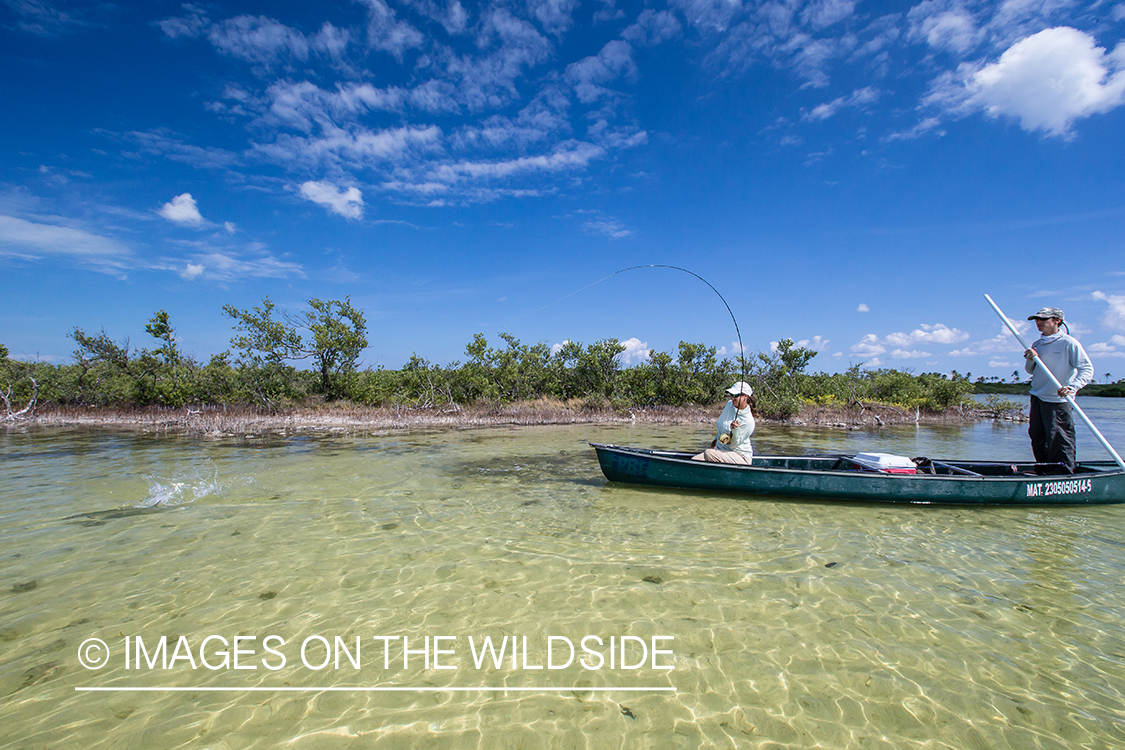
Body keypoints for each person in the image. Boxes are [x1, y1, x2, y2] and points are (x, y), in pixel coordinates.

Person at [1024, 306, 1094, 474]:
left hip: (1058, 399)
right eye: (1037, 320)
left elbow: (1087, 369)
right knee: (1037, 436)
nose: (1038, 323)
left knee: (1059, 438)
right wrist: (1031, 359)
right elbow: (1030, 371)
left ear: (1057, 321)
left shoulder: (1068, 343)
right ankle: (1043, 469)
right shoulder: (1037, 344)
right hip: (1038, 396)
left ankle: (1063, 472)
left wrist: (1072, 387)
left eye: (1043, 319)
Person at [693, 381, 756, 465]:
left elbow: (733, 445)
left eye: (736, 395)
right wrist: (716, 439)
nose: (732, 398)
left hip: (741, 457)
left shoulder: (748, 421)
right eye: (731, 395)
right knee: (693, 460)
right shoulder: (729, 405)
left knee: (709, 453)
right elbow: (722, 426)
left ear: (745, 396)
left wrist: (735, 430)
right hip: (721, 450)